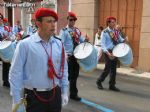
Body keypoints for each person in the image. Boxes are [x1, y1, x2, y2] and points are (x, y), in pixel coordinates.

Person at [9, 8, 69, 112]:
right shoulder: (25, 44)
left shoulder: (59, 44)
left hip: (55, 94)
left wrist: (64, 91)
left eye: (54, 21)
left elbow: (63, 70)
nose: (53, 25)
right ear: (38, 23)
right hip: (34, 96)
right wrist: (16, 99)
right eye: (49, 21)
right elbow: (15, 73)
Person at [59, 12, 89, 101]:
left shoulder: (77, 31)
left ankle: (73, 94)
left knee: (75, 75)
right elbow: (61, 44)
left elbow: (81, 40)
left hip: (77, 56)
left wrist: (85, 39)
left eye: (74, 20)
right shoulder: (64, 31)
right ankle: (60, 92)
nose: (72, 21)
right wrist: (64, 55)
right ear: (67, 20)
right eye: (70, 19)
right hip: (69, 56)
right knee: (67, 76)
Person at [96, 16, 125, 92]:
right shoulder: (104, 32)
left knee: (113, 69)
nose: (114, 23)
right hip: (108, 52)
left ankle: (112, 85)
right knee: (107, 69)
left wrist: (124, 39)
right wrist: (108, 53)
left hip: (115, 51)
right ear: (108, 23)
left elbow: (120, 40)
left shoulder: (116, 31)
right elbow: (103, 45)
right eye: (112, 22)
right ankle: (99, 81)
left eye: (115, 22)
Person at [0, 13, 13, 88]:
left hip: (5, 48)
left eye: (1, 19)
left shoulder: (7, 28)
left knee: (6, 64)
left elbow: (11, 35)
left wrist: (10, 38)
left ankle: (5, 80)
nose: (0, 20)